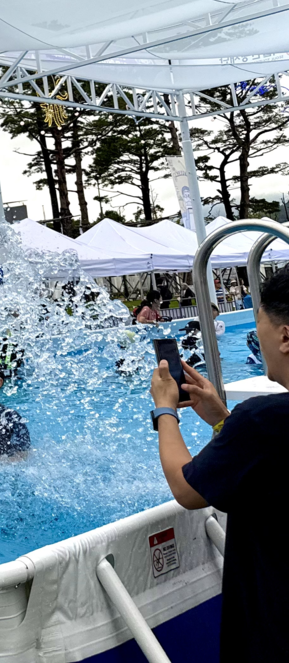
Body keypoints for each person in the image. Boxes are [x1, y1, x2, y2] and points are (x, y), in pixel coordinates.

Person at [149, 265, 289, 662]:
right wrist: (223, 420)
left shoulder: (263, 420)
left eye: (259, 328)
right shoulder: (261, 428)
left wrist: (164, 409)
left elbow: (186, 489)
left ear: (284, 336)